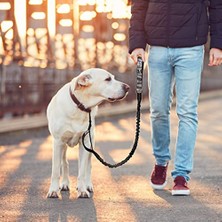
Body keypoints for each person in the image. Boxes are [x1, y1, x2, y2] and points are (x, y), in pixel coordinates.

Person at [129, 0, 222, 196]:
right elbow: (138, 6)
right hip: (157, 48)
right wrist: (137, 44)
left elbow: (217, 6)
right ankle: (161, 162)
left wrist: (218, 44)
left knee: (187, 112)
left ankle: (181, 175)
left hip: (191, 48)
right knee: (158, 110)